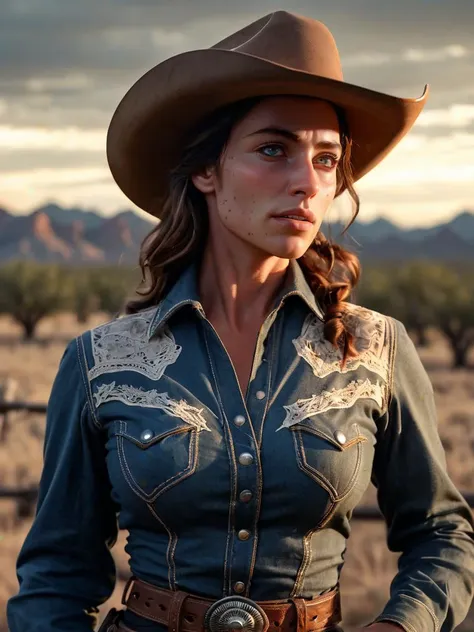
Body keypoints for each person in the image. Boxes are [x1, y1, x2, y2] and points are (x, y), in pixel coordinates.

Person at [7, 10, 474, 632]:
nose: (307, 182)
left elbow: (443, 533)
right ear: (206, 170)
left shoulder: (373, 348)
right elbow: (58, 573)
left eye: (327, 159)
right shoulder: (102, 362)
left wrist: (400, 626)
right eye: (274, 149)